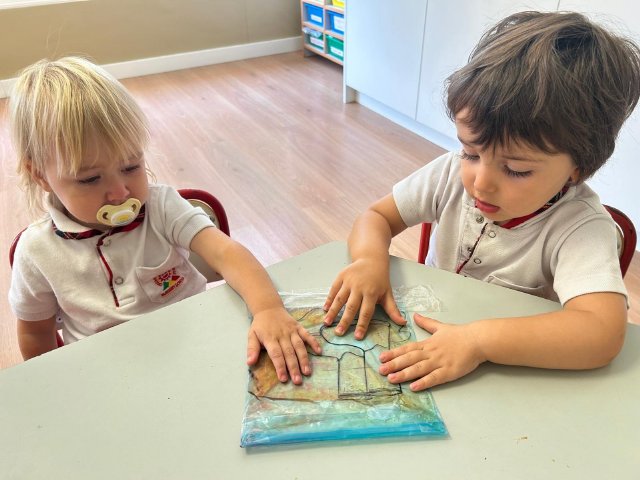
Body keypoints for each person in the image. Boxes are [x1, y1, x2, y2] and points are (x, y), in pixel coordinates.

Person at [323, 11, 640, 391]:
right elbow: (376, 216)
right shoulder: (448, 173)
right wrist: (369, 260)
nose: (480, 183)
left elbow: (601, 333)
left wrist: (479, 341)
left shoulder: (580, 228)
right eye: (471, 153)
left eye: (516, 170)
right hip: (428, 337)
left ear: (578, 168)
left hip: (509, 373)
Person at [8, 56, 321, 385]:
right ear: (40, 175)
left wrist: (268, 309)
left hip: (200, 345)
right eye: (90, 179)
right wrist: (52, 386)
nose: (120, 192)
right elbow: (35, 333)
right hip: (110, 379)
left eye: (131, 167)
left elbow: (226, 253)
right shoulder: (36, 252)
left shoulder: (160, 207)